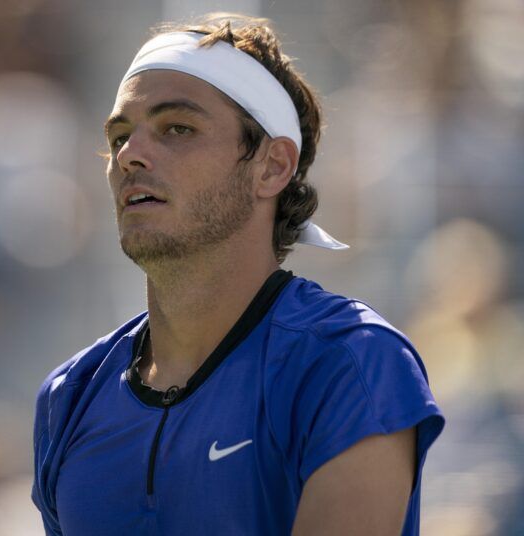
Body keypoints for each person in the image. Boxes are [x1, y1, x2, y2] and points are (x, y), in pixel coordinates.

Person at [32, 13, 444, 535]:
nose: (130, 155)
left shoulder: (352, 360)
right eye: (119, 137)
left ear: (272, 166)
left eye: (176, 128)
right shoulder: (68, 396)